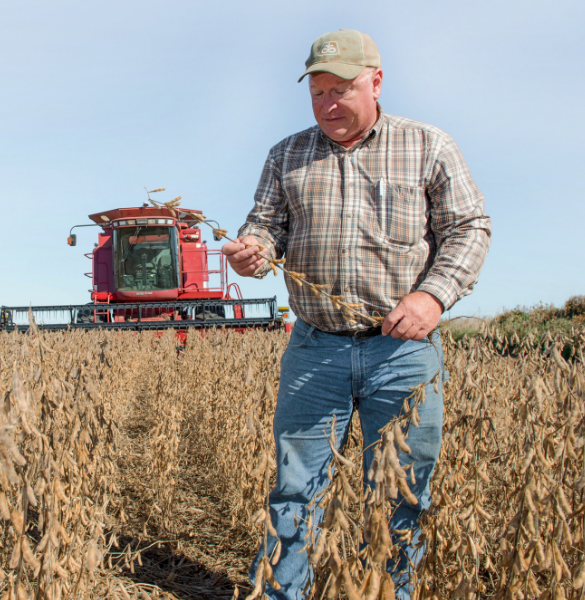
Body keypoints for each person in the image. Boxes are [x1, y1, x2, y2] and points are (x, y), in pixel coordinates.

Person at [221, 29, 491, 600]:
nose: (328, 104)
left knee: (400, 492)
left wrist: (432, 296)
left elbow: (468, 230)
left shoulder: (428, 146)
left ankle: (388, 592)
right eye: (317, 93)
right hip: (316, 348)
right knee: (296, 490)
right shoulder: (287, 155)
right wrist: (253, 251)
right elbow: (265, 228)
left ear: (376, 81)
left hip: (403, 351)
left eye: (341, 89)